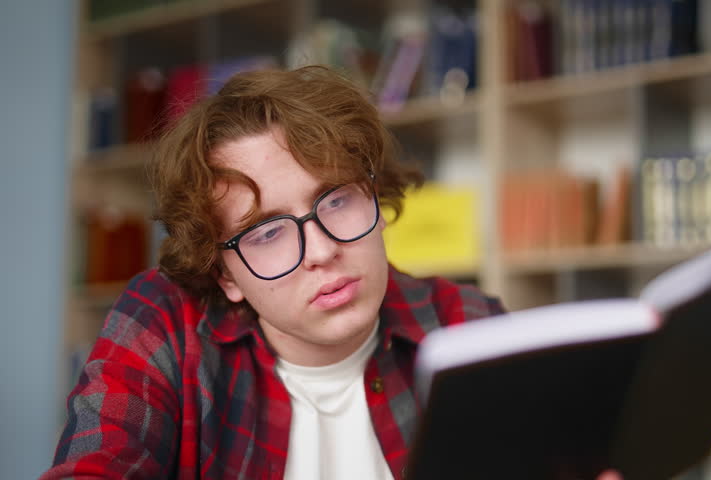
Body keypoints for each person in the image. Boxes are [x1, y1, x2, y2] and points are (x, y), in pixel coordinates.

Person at [42, 65, 621, 480]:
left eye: (337, 199)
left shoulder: (468, 324)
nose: (321, 249)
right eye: (268, 232)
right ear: (226, 277)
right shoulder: (165, 322)